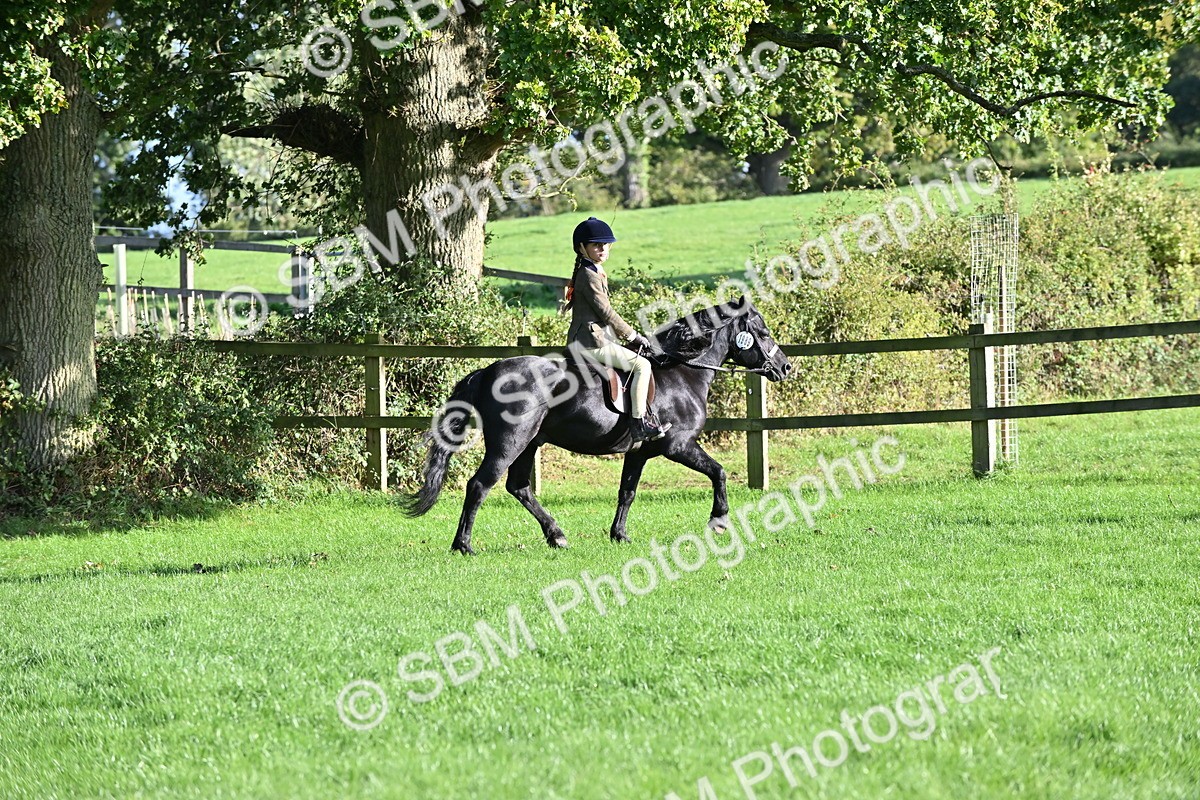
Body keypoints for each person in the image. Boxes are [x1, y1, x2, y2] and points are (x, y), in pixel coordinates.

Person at [565, 217, 670, 443]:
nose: (602, 249)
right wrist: (632, 336)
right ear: (581, 248)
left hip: (594, 338)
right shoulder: (588, 275)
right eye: (596, 245)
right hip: (590, 343)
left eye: (605, 245)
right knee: (643, 365)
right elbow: (607, 312)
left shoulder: (593, 270)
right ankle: (638, 423)